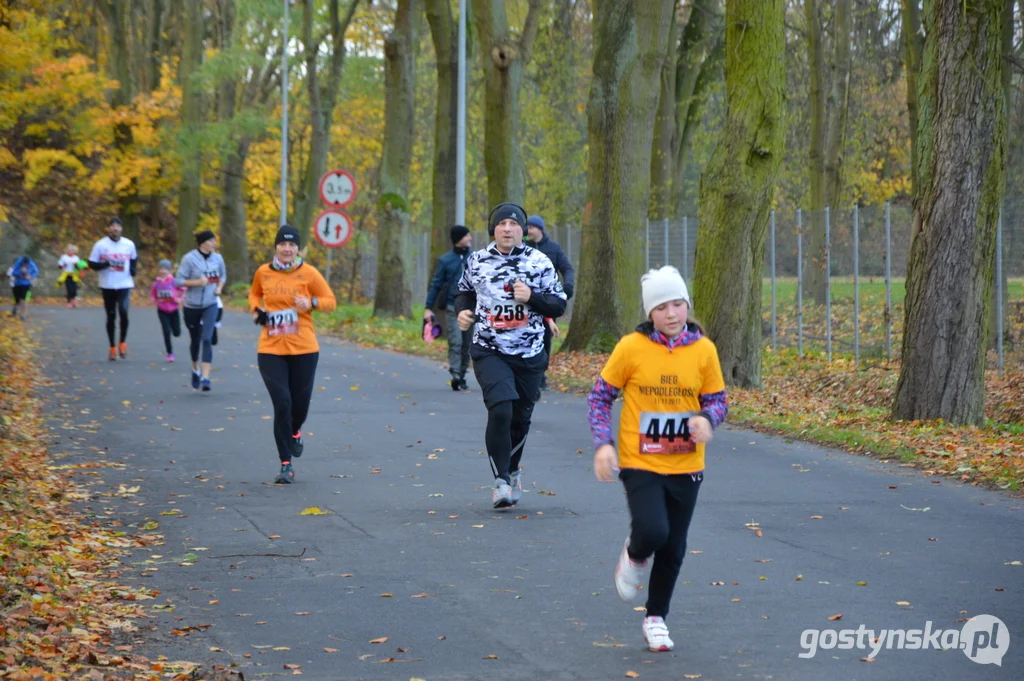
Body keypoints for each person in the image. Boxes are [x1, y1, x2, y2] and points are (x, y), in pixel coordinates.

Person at [587, 265, 728, 653]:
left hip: (686, 464)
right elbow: (600, 397)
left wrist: (706, 418)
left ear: (687, 306)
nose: (671, 313)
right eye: (662, 306)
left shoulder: (704, 350)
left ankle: (656, 619)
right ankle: (634, 553)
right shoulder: (631, 348)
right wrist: (603, 443)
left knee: (674, 547)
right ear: (650, 312)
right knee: (653, 532)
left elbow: (717, 400)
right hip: (640, 460)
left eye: (678, 304)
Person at [455, 203, 567, 508]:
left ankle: (513, 470)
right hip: (490, 349)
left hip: (529, 352)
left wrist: (532, 297)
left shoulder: (539, 262)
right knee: (501, 409)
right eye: (502, 223)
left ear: (523, 230)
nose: (507, 228)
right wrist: (463, 311)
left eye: (514, 224)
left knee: (520, 418)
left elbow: (558, 304)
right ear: (494, 229)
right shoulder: (477, 260)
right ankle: (501, 481)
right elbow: (463, 291)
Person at [249, 225, 336, 484]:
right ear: (276, 246)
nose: (287, 249)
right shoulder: (263, 272)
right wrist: (257, 310)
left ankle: (295, 431)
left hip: (304, 348)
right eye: (283, 244)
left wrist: (311, 303)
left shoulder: (308, 273)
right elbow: (255, 294)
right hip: (271, 348)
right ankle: (285, 464)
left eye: (292, 245)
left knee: (299, 405)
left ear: (298, 248)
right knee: (282, 403)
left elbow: (330, 300)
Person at [525, 215, 575, 392]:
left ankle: (541, 375)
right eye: (527, 227)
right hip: (527, 300)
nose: (528, 231)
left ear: (540, 229)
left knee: (545, 338)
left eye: (532, 227)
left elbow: (567, 268)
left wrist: (567, 286)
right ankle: (529, 374)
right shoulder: (523, 248)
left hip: (547, 300)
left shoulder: (553, 248)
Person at [423, 225, 473, 391]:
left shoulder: (475, 258)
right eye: (466, 236)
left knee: (468, 344)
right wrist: (428, 308)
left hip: (472, 308)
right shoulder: (445, 261)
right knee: (455, 341)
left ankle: (463, 373)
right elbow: (436, 284)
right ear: (458, 239)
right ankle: (456, 374)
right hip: (453, 307)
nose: (470, 238)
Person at [88, 217, 138, 361]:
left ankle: (122, 342)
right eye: (112, 226)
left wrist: (133, 269)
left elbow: (134, 258)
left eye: (118, 226)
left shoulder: (129, 244)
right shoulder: (100, 245)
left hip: (124, 284)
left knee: (123, 312)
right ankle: (112, 347)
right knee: (111, 316)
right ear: (108, 229)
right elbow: (91, 263)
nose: (115, 228)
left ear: (121, 229)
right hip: (107, 285)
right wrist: (104, 265)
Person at [150, 259, 185, 362]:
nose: (163, 271)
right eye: (161, 268)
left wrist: (180, 299)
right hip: (162, 310)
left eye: (165, 269)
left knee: (177, 332)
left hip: (173, 310)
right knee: (166, 331)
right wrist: (153, 299)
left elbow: (183, 290)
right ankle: (170, 353)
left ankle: (176, 332)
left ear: (169, 270)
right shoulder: (157, 283)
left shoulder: (174, 281)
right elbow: (153, 294)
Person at [9, 254, 38, 320]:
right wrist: (20, 273)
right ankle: (15, 309)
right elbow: (14, 273)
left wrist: (30, 276)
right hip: (18, 284)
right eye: (24, 264)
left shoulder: (31, 263)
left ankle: (23, 315)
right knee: (17, 300)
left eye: (26, 264)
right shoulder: (18, 262)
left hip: (26, 284)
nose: (25, 265)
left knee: (24, 299)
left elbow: (36, 271)